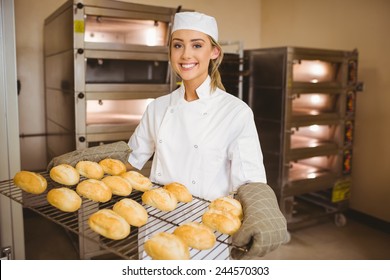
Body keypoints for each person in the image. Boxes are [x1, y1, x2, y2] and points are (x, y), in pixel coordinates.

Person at [47, 11, 287, 260]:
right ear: (170, 52)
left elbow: (250, 180)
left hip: (206, 234)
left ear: (214, 52)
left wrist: (264, 211)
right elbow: (132, 157)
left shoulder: (236, 112)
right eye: (178, 45)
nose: (186, 55)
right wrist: (85, 160)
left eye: (197, 45)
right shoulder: (158, 107)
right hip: (157, 227)